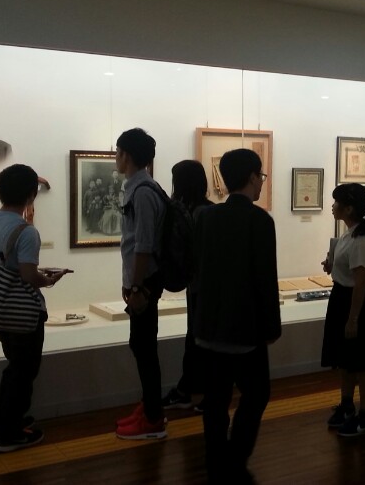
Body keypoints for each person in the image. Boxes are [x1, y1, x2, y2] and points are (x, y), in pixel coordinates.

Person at [192, 148, 281, 483]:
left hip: (209, 326)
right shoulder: (260, 221)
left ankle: (216, 461)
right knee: (256, 395)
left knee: (215, 401)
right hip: (246, 328)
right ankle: (236, 458)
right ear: (252, 177)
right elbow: (264, 279)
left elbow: (198, 272)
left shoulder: (206, 217)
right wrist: (271, 327)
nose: (261, 182)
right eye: (261, 176)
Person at [0, 164, 67, 452]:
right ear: (30, 195)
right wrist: (49, 279)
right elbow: (28, 276)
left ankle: (4, 419)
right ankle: (10, 432)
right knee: (24, 370)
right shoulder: (26, 231)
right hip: (22, 311)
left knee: (16, 366)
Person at [114, 128, 167, 441]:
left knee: (145, 348)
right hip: (141, 281)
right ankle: (150, 407)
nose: (116, 158)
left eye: (118, 152)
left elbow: (143, 245)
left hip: (145, 283)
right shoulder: (139, 188)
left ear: (127, 155)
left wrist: (136, 288)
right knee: (141, 345)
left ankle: (154, 419)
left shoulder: (144, 192)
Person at [322, 183, 365, 437]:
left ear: (348, 208)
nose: (333, 206)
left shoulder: (362, 240)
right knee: (347, 360)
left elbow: (361, 282)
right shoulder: (351, 234)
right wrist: (332, 265)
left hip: (360, 304)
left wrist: (353, 319)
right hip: (344, 298)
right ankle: (347, 405)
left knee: (363, 363)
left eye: (336, 202)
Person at [162, 160, 214, 413]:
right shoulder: (204, 210)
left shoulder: (196, 212)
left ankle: (196, 392)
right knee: (197, 338)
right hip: (202, 284)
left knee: (198, 338)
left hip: (201, 285)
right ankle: (192, 390)